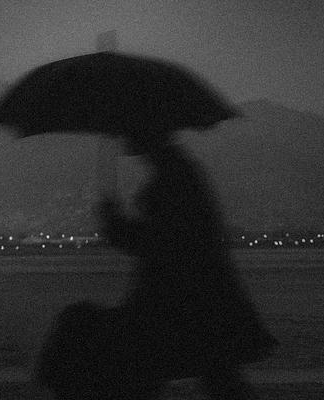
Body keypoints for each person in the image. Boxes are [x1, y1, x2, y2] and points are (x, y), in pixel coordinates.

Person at [98, 130, 275, 400]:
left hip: (178, 297)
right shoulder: (179, 171)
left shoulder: (172, 178)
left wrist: (114, 223)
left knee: (145, 372)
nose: (125, 138)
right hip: (199, 295)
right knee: (218, 376)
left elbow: (160, 242)